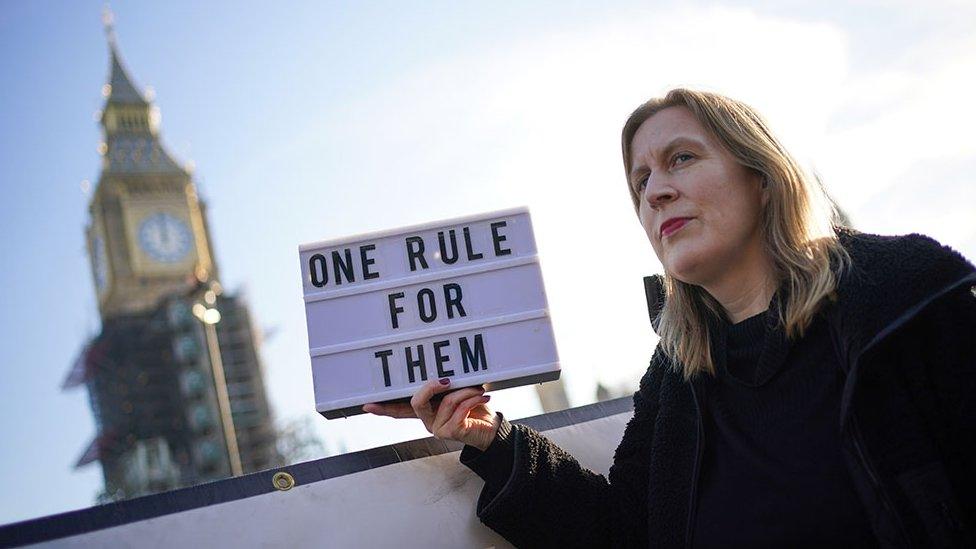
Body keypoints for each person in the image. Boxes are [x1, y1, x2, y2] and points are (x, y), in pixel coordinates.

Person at [364, 88, 976, 548]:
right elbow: (623, 534)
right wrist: (488, 438)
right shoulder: (676, 378)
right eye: (640, 181)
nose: (655, 191)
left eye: (680, 158)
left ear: (762, 176)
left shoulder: (906, 301)